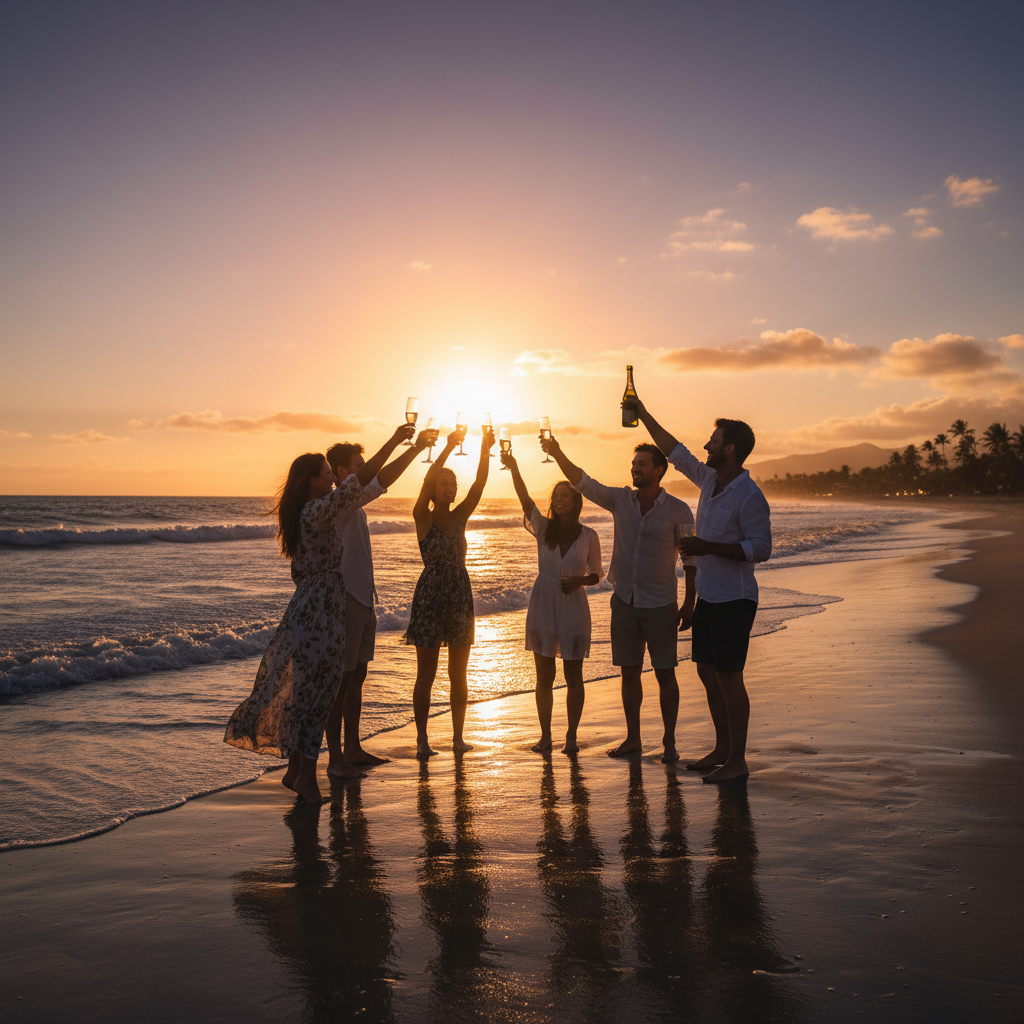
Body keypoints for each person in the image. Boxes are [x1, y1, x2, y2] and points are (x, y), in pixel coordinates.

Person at [223, 425, 413, 805]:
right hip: (321, 608)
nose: (334, 477)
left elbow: (362, 484)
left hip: (315, 603)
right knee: (318, 692)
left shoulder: (309, 510)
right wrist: (394, 441)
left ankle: (297, 771)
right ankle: (306, 777)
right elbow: (358, 482)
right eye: (328, 473)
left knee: (310, 690)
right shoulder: (317, 511)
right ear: (314, 481)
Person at [634, 396, 772, 784]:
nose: (706, 446)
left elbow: (761, 549)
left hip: (736, 598)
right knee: (708, 672)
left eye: (713, 441)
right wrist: (642, 413)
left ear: (729, 448)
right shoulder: (710, 479)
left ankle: (738, 760)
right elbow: (673, 451)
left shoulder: (750, 496)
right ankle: (723, 747)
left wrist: (706, 546)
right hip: (710, 595)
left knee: (730, 677)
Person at [540, 434, 695, 763]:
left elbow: (690, 559)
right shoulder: (621, 500)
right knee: (629, 672)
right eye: (633, 464)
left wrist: (690, 602)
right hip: (624, 601)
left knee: (665, 672)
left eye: (641, 464)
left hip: (661, 603)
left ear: (659, 471)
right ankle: (633, 739)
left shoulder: (679, 510)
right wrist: (556, 453)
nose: (635, 469)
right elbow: (585, 482)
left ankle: (669, 742)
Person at [322, 427, 438, 777]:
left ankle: (353, 748)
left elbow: (380, 479)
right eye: (359, 463)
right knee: (341, 680)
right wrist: (407, 446)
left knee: (357, 675)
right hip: (345, 598)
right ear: (343, 472)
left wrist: (415, 449)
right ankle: (336, 759)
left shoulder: (351, 501)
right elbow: (381, 476)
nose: (366, 467)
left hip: (362, 596)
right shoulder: (339, 500)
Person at [502, 449, 604, 754]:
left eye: (565, 495)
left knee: (574, 675)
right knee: (544, 675)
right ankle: (545, 736)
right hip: (544, 602)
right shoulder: (543, 529)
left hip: (574, 605)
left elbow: (598, 573)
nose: (559, 499)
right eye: (555, 495)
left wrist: (580, 581)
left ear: (575, 502)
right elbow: (524, 499)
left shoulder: (589, 535)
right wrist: (514, 467)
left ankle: (571, 736)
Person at [405, 424, 494, 756]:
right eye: (443, 483)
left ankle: (458, 737)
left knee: (459, 672)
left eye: (452, 484)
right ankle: (422, 740)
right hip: (430, 597)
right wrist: (445, 448)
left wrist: (485, 449)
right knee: (425, 673)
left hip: (459, 595)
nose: (448, 487)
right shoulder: (421, 517)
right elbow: (427, 479)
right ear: (433, 489)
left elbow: (480, 484)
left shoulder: (460, 517)